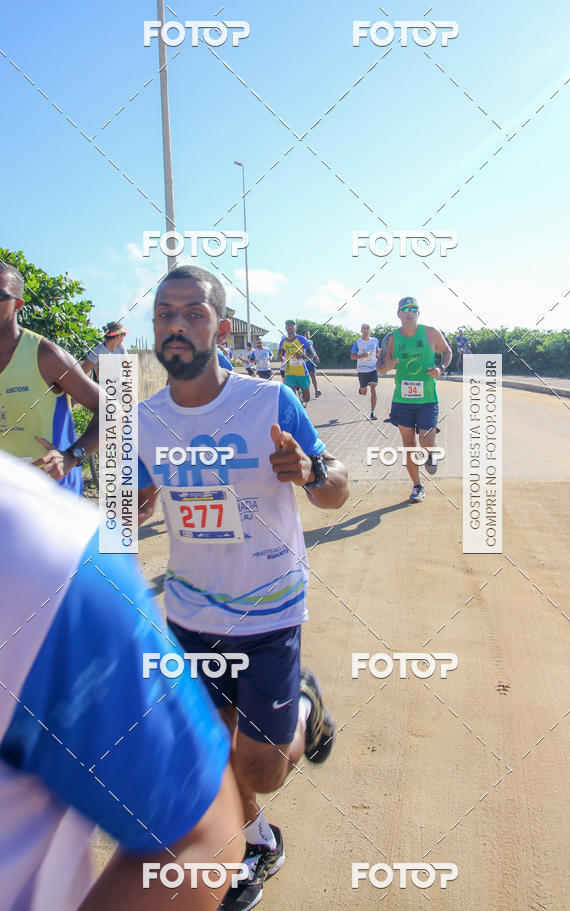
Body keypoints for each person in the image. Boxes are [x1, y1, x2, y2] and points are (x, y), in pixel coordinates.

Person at [136, 266, 349, 911]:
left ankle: (304, 711)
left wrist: (310, 470)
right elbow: (126, 515)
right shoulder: (141, 420)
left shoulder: (267, 400)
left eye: (193, 313)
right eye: (165, 314)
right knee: (209, 753)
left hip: (268, 613)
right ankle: (255, 843)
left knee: (258, 765)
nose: (176, 325)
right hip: (191, 613)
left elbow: (336, 489)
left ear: (220, 327)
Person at [0, 451, 245, 911]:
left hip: (264, 610)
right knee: (220, 731)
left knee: (253, 761)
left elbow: (199, 834)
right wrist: (126, 506)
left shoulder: (37, 553)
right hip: (178, 608)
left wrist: (72, 459)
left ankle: (294, 719)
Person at [0, 261, 99, 495]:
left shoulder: (45, 356)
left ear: (18, 305)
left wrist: (72, 456)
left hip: (51, 503)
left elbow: (113, 409)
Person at [377, 296, 452, 502]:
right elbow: (380, 367)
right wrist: (390, 364)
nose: (409, 312)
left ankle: (430, 454)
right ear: (399, 314)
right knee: (408, 444)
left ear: (418, 313)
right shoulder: (391, 339)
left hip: (427, 399)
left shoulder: (430, 333)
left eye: (413, 309)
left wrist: (440, 368)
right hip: (402, 400)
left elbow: (447, 352)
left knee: (426, 440)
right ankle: (417, 486)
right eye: (405, 309)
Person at [277, 320, 311, 407]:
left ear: (295, 328)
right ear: (285, 328)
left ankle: (302, 401)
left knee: (307, 397)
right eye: (287, 325)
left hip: (302, 372)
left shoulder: (302, 339)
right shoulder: (283, 342)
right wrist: (281, 358)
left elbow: (311, 353)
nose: (289, 327)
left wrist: (302, 356)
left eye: (291, 325)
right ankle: (297, 412)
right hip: (289, 373)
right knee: (291, 397)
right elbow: (280, 358)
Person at [351, 324, 380, 420]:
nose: (366, 330)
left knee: (373, 387)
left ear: (370, 330)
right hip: (362, 370)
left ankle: (372, 412)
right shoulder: (358, 342)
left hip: (373, 369)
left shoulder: (375, 340)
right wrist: (362, 356)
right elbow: (352, 356)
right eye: (364, 329)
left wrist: (380, 354)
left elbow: (377, 352)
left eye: (367, 328)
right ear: (361, 331)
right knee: (364, 392)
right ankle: (361, 389)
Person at [304, 330, 322, 397]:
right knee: (305, 378)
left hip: (310, 362)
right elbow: (304, 352)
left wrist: (316, 357)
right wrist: (307, 355)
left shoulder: (310, 341)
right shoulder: (301, 342)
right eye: (306, 334)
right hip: (304, 362)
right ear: (303, 335)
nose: (307, 335)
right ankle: (303, 392)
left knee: (313, 375)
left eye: (308, 334)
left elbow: (312, 350)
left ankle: (316, 391)